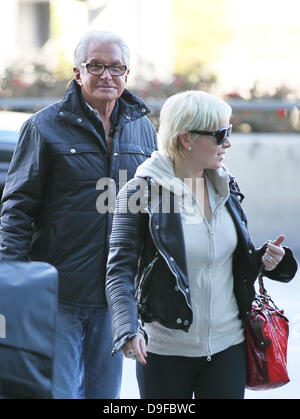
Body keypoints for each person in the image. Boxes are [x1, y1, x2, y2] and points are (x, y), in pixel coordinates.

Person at [106, 90, 297, 399]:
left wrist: (266, 259)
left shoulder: (226, 184)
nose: (229, 143)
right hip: (165, 353)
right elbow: (118, 272)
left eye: (229, 132)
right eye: (221, 134)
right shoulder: (140, 192)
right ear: (187, 139)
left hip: (228, 348)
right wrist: (127, 329)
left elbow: (230, 258)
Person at [0, 30, 157, 398]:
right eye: (96, 66)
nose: (107, 75)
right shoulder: (43, 127)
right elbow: (17, 209)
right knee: (59, 393)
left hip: (114, 297)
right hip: (58, 294)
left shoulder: (142, 130)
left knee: (105, 396)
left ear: (127, 74)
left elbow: (152, 211)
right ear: (77, 72)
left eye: (116, 67)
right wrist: (8, 280)